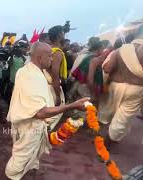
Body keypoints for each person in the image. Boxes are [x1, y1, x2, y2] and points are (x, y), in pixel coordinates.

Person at [5, 42, 89, 180]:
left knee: (28, 154)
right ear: (39, 58)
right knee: (20, 159)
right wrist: (72, 105)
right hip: (30, 126)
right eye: (49, 56)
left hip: (26, 123)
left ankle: (29, 171)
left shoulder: (25, 70)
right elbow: (40, 113)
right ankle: (11, 176)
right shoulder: (34, 76)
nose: (52, 59)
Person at [99, 26, 143, 146]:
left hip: (115, 86)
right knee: (122, 119)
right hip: (136, 90)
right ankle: (106, 145)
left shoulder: (121, 50)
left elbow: (107, 68)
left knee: (107, 112)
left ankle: (97, 136)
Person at [48, 25, 67, 107]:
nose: (64, 35)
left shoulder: (49, 49)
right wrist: (58, 95)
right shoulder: (57, 53)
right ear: (59, 35)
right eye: (63, 33)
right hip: (52, 88)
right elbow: (55, 75)